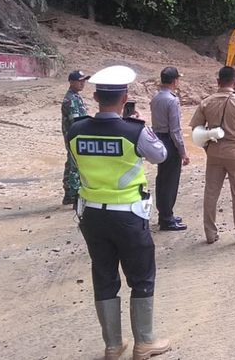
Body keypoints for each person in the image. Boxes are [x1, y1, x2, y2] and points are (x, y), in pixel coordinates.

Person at [67, 65, 170, 360]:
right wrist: (139, 126)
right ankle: (144, 342)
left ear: (96, 96)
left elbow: (76, 160)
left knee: (103, 275)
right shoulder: (133, 131)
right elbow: (160, 155)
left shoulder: (76, 130)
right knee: (141, 276)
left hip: (91, 217)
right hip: (128, 215)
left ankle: (113, 346)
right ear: (125, 98)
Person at [189, 66, 235, 245]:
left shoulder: (206, 102)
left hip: (214, 154)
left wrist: (207, 148)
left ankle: (210, 234)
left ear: (218, 81)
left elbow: (196, 130)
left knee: (211, 194)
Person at [150, 67, 189, 231]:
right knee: (170, 181)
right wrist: (183, 151)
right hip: (169, 141)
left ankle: (164, 214)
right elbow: (175, 130)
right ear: (174, 81)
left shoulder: (156, 97)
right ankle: (167, 218)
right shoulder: (172, 100)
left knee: (162, 179)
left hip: (158, 139)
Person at [62, 70, 91, 205]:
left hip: (75, 136)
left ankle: (69, 193)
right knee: (75, 165)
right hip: (75, 137)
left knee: (71, 164)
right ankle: (74, 195)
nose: (82, 83)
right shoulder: (71, 99)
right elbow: (76, 122)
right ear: (72, 82)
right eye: (80, 81)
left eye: (83, 81)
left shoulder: (75, 96)